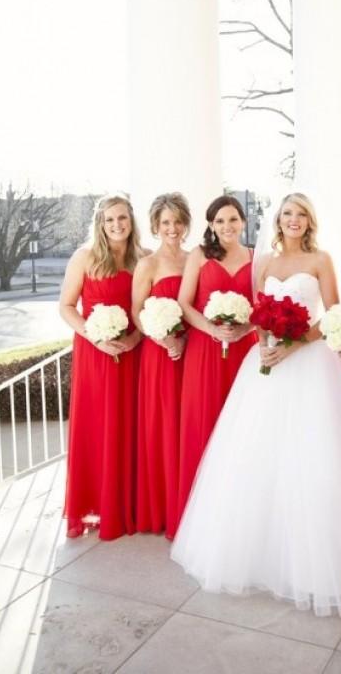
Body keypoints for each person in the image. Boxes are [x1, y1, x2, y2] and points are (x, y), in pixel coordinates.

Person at [171, 193, 341, 616]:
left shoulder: (322, 260)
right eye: (287, 213)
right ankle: (261, 557)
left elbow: (332, 314)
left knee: (311, 460)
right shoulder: (265, 262)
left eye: (301, 214)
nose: (294, 220)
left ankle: (313, 565)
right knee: (257, 459)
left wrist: (293, 345)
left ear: (310, 221)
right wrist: (266, 345)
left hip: (311, 367)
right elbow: (259, 312)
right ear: (278, 219)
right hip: (266, 364)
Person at [60, 193, 144, 540]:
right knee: (97, 425)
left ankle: (129, 505)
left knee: (129, 425)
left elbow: (148, 309)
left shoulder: (143, 259)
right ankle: (96, 504)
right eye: (110, 220)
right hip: (95, 353)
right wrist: (94, 337)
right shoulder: (85, 257)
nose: (117, 225)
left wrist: (134, 340)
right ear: (100, 223)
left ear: (131, 220)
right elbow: (66, 306)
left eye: (122, 218)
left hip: (132, 352)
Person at [176, 195, 256, 524]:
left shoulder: (255, 256)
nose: (227, 226)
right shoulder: (199, 255)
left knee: (244, 427)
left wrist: (245, 328)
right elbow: (184, 303)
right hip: (205, 350)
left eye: (233, 219)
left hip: (243, 349)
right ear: (211, 225)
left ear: (243, 222)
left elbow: (262, 304)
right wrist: (212, 329)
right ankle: (201, 516)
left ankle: (240, 512)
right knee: (204, 421)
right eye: (220, 221)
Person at [132, 193, 190, 540]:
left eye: (177, 221)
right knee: (165, 427)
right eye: (165, 222)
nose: (172, 228)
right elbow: (137, 312)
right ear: (155, 226)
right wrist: (163, 337)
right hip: (160, 354)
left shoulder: (195, 258)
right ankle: (166, 509)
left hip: (193, 350)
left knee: (190, 425)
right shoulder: (148, 265)